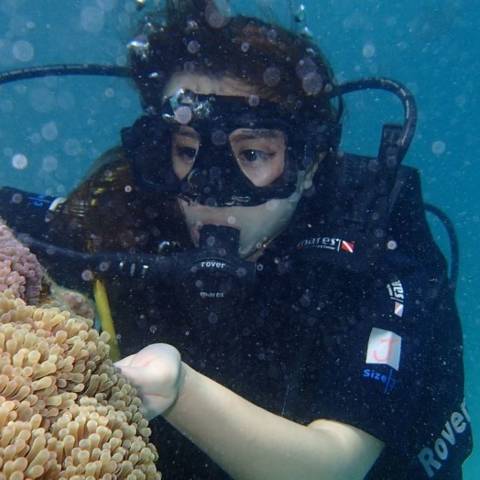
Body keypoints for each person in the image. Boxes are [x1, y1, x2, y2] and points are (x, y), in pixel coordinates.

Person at [0, 1, 472, 478]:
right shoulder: (133, 211)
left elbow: (336, 465)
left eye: (251, 154)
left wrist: (179, 389)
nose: (211, 189)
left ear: (309, 162)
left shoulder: (374, 242)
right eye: (188, 149)